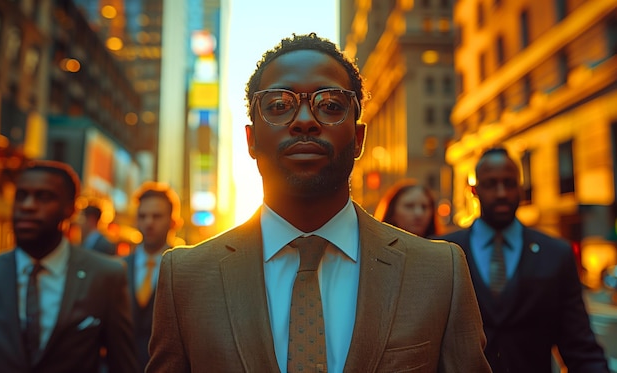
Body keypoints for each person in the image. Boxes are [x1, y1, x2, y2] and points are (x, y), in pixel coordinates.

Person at [146, 33, 490, 373]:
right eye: (279, 105)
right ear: (251, 140)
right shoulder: (185, 279)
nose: (305, 120)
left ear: (358, 138)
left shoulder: (439, 272)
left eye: (330, 106)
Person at [439, 147, 609, 372]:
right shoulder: (442, 252)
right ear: (474, 190)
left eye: (509, 183)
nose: (501, 193)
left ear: (520, 187)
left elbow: (579, 345)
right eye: (491, 184)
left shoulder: (556, 254)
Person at [0, 160, 139, 373]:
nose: (28, 206)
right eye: (21, 196)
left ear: (70, 208)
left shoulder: (105, 276)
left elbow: (122, 363)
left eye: (44, 197)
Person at [124, 182, 181, 370]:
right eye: (143, 216)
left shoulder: (185, 268)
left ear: (173, 222)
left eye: (156, 216)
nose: (149, 222)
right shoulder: (118, 267)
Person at [374, 180, 439, 237]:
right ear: (392, 211)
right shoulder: (375, 248)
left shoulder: (443, 248)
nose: (419, 213)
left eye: (424, 207)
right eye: (409, 206)